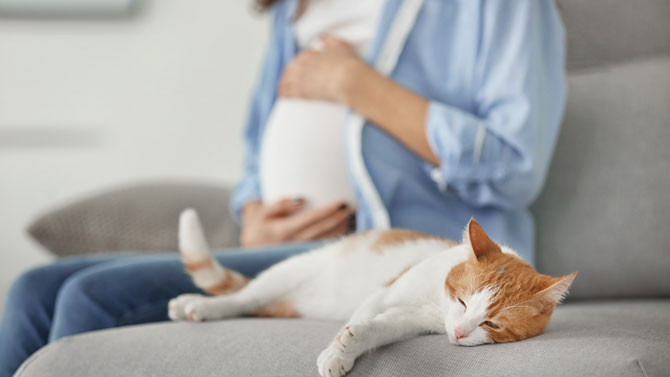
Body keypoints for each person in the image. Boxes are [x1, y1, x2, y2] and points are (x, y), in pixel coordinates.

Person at [0, 0, 565, 376]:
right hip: (287, 242)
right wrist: (251, 210)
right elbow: (257, 135)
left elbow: (517, 162)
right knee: (32, 289)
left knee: (88, 297)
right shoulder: (294, 7)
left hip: (394, 249)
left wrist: (356, 84)